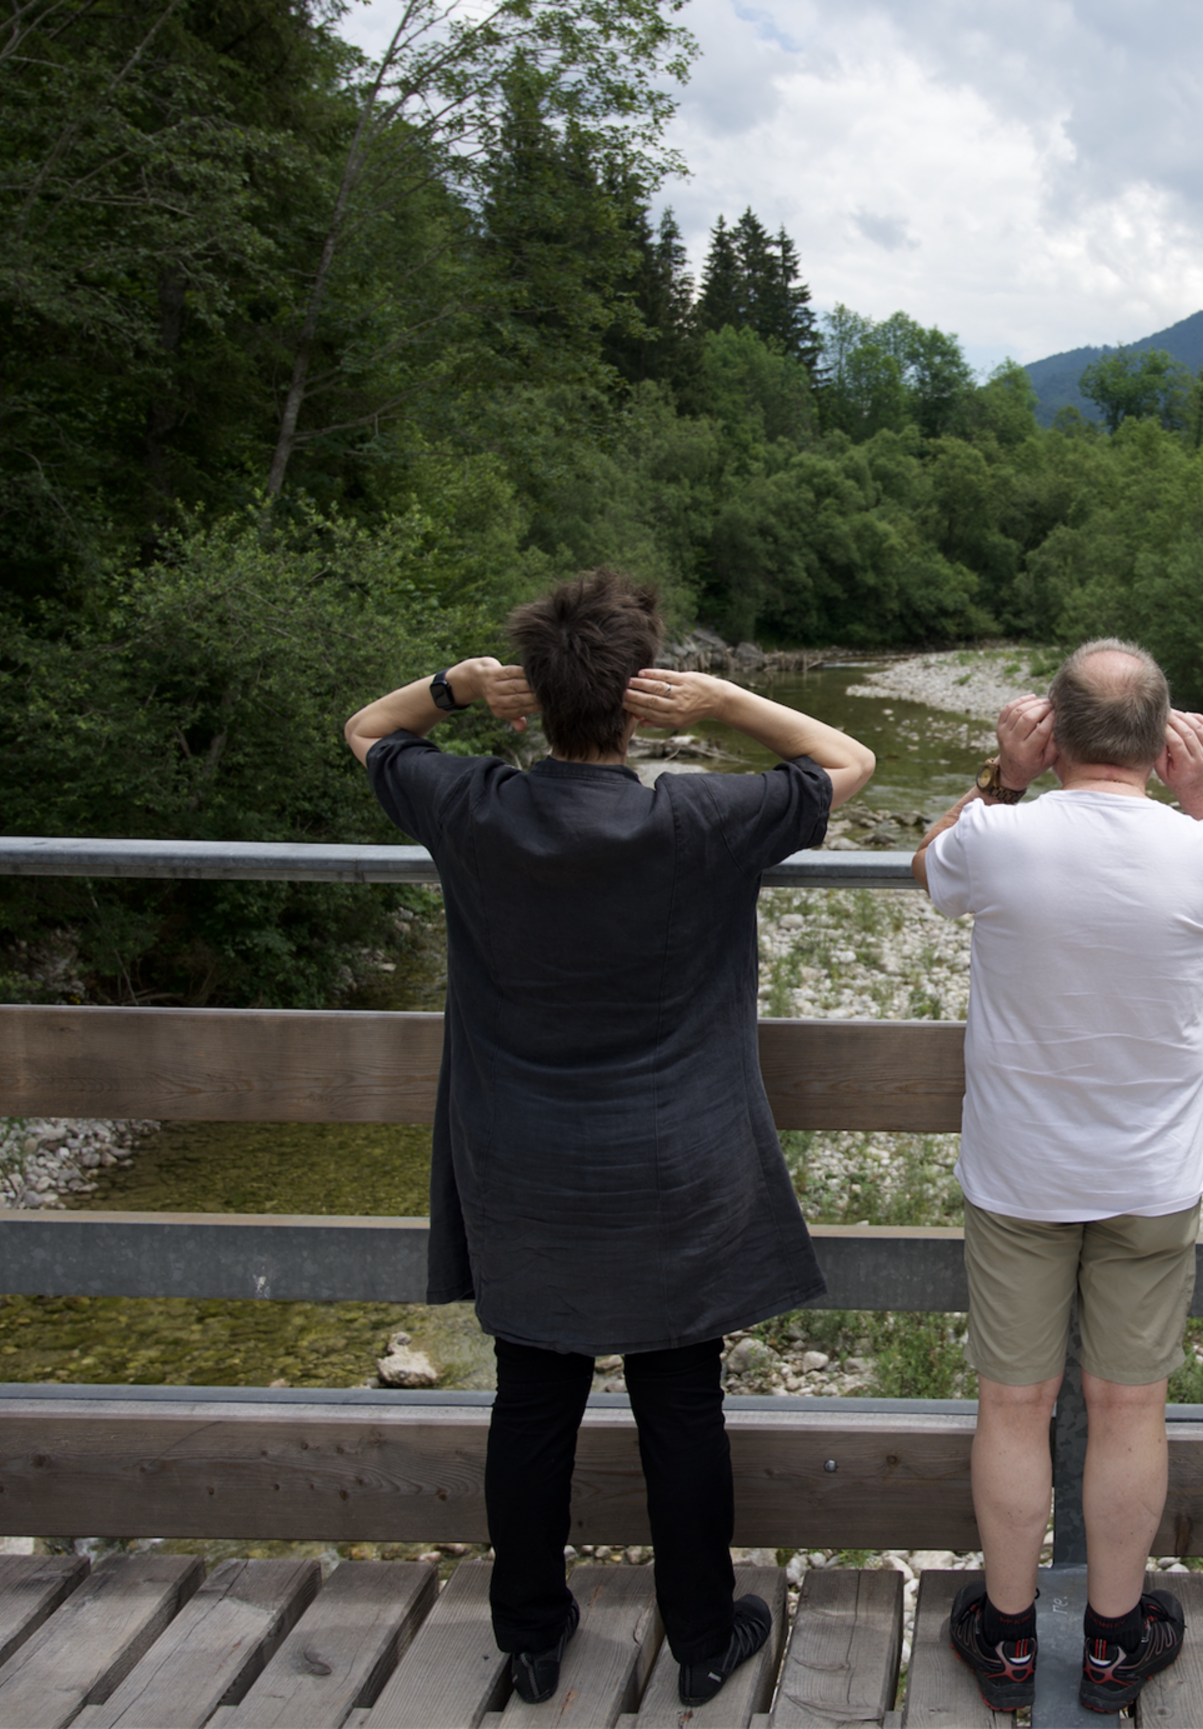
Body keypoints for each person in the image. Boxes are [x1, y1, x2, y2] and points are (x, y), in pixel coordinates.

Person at [342, 571, 875, 1709]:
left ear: (528, 698)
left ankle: (533, 1639)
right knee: (680, 1401)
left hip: (521, 1164)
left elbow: (367, 729)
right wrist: (727, 703)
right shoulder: (696, 818)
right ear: (641, 705)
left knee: (532, 1397)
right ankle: (698, 1637)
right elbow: (845, 763)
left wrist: (455, 687)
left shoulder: (472, 807)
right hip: (673, 1165)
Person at [910, 639, 1203, 1716]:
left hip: (1019, 1171)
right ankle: (1116, 1644)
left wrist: (1002, 773)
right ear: (1162, 737)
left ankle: (1010, 1639)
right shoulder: (1202, 849)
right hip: (1148, 1175)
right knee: (1128, 1405)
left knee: (1014, 1404)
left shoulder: (997, 835)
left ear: (1053, 730)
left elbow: (925, 871)